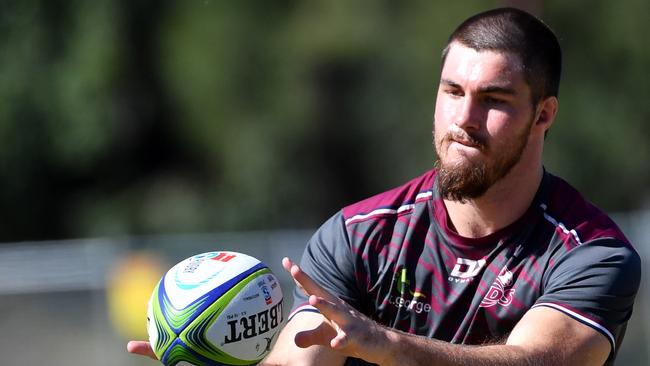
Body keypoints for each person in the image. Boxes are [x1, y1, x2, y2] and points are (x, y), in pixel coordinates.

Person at [128, 7, 641, 365]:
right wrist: (211, 354)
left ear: (543, 114)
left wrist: (388, 346)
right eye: (452, 91)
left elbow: (538, 362)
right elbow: (301, 361)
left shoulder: (591, 254)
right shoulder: (358, 236)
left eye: (495, 100)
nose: (464, 118)